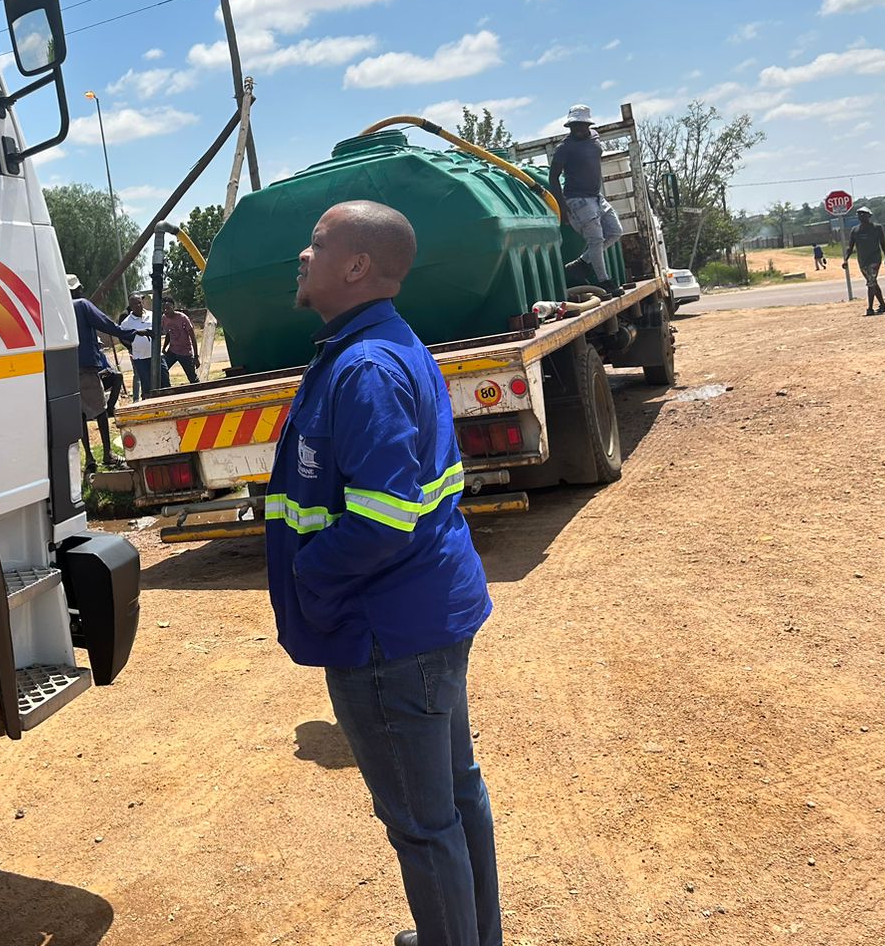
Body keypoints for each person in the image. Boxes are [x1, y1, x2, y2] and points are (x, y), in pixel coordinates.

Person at [265, 199, 499, 946]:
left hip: (386, 635)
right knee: (454, 799)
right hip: (423, 617)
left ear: (357, 266)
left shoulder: (364, 367)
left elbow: (383, 517)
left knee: (424, 824)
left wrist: (309, 577)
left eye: (316, 243)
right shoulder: (375, 347)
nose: (304, 255)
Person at [548, 103, 623, 296]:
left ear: (588, 124)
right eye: (574, 126)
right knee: (596, 240)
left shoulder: (595, 137)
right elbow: (553, 177)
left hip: (596, 197)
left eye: (581, 125)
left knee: (615, 232)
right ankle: (605, 282)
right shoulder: (564, 148)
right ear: (569, 127)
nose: (578, 129)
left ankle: (582, 263)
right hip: (577, 199)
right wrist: (562, 209)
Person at [70, 276, 137, 471]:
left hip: (66, 370)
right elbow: (105, 324)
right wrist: (129, 333)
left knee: (80, 414)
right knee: (100, 410)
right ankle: (108, 454)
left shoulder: (57, 308)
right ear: (77, 289)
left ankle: (90, 458)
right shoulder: (82, 305)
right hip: (86, 367)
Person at [843, 207, 885, 316]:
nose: (861, 216)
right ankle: (883, 305)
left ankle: (869, 308)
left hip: (875, 259)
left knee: (871, 282)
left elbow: (883, 244)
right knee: (873, 282)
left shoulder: (877, 228)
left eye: (864, 214)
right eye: (859, 214)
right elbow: (850, 247)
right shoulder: (855, 230)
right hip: (862, 261)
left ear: (869, 216)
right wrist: (846, 260)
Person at [120, 294, 155, 400]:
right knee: (144, 382)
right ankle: (139, 400)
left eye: (140, 302)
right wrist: (130, 346)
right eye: (135, 304)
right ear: (130, 306)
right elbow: (122, 336)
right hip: (140, 357)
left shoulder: (152, 315)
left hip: (156, 356)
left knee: (163, 381)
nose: (139, 305)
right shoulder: (126, 320)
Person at [161, 304, 200, 385]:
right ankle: (167, 390)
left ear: (173, 307)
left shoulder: (183, 318)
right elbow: (168, 333)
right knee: (162, 370)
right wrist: (164, 347)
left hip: (184, 352)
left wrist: (196, 357)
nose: (166, 311)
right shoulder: (164, 318)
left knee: (192, 378)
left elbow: (193, 337)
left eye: (168, 308)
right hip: (172, 351)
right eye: (164, 309)